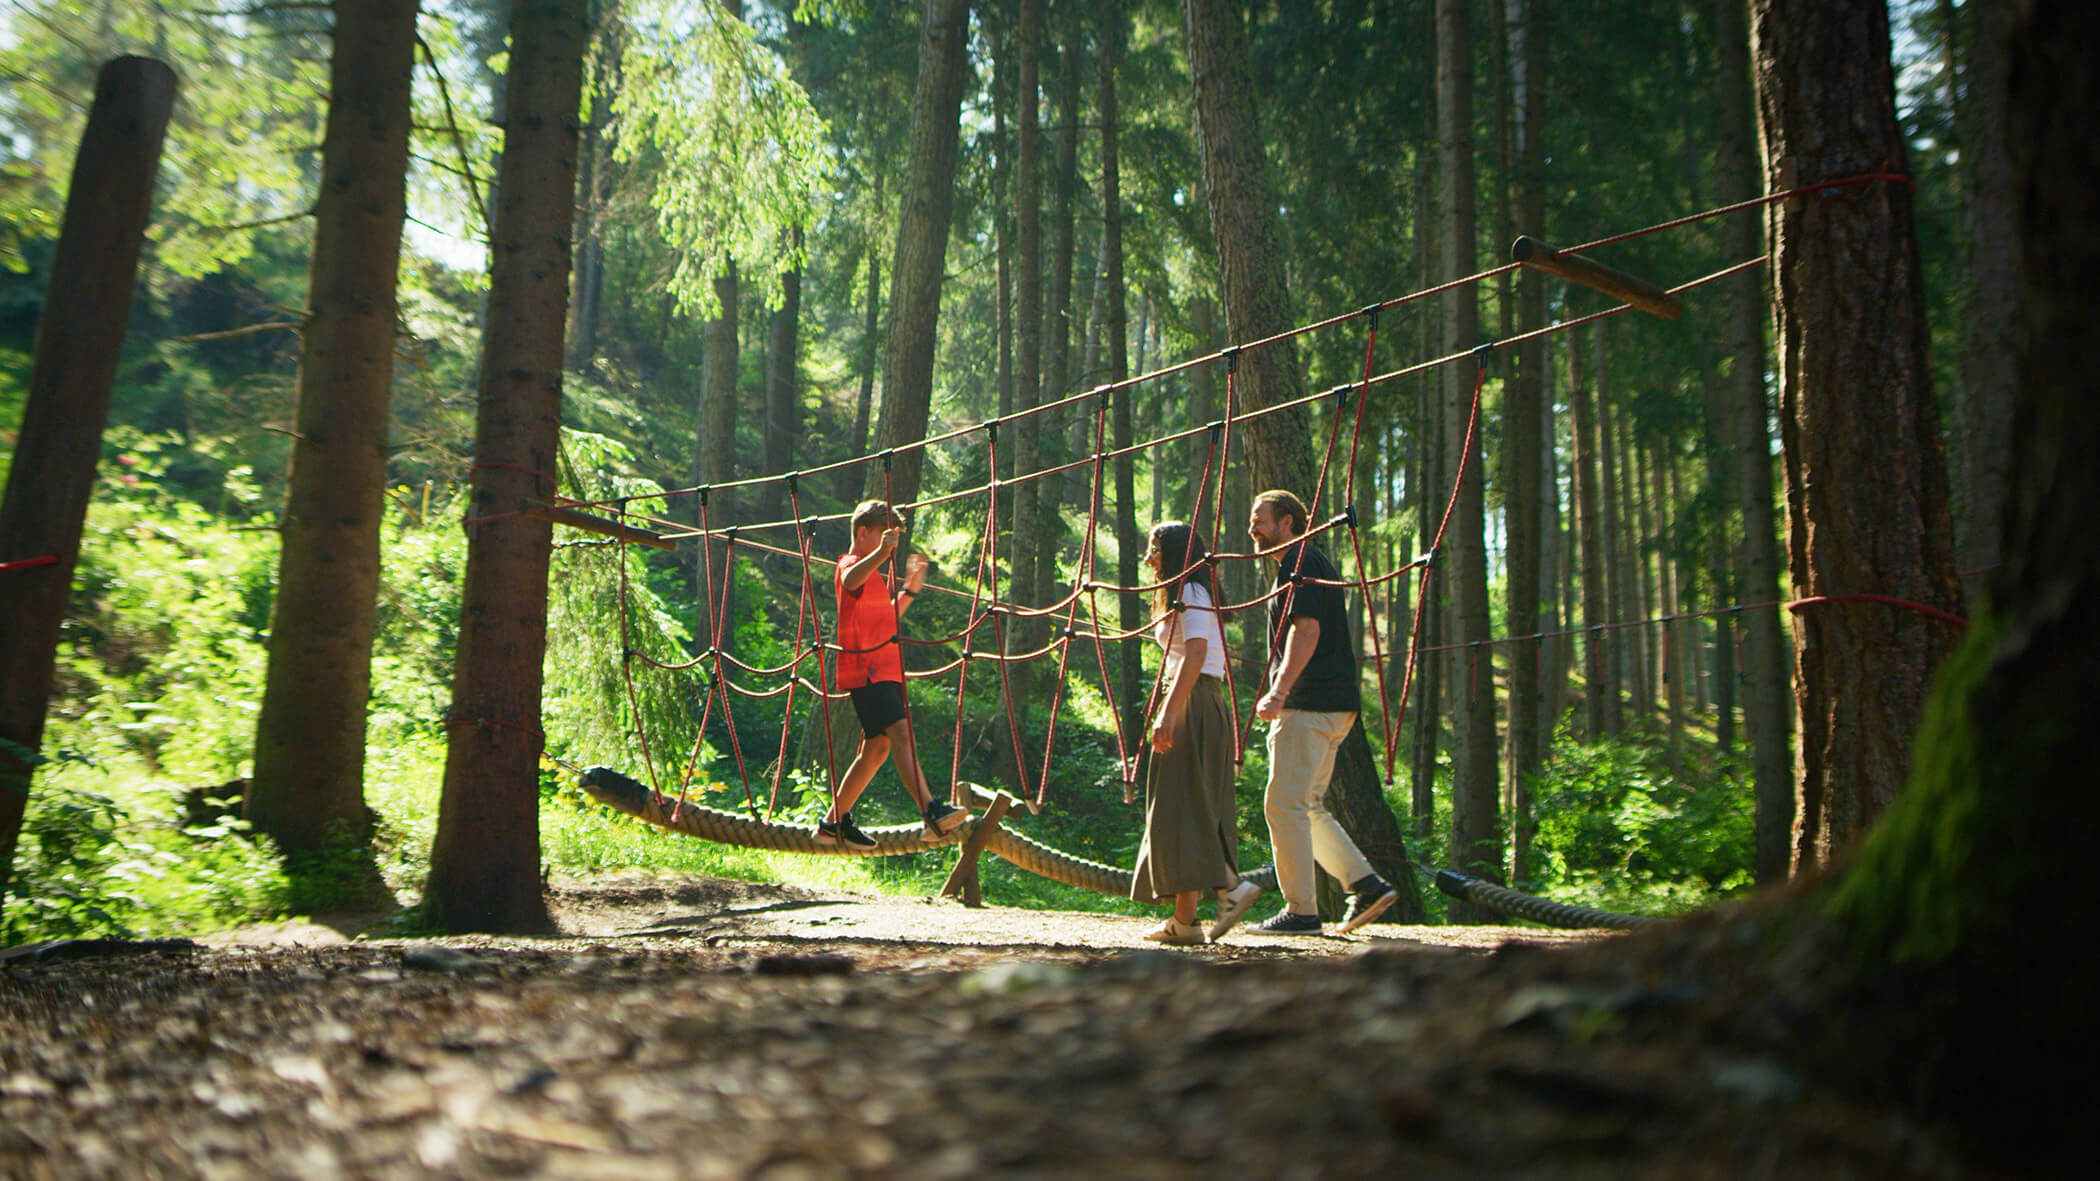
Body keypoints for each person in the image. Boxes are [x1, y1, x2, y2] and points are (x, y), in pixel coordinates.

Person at [1245, 488, 1399, 935]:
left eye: (1261, 519)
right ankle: (1366, 885)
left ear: (1287, 522)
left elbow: (1307, 632)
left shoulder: (1300, 563)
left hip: (1310, 704)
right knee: (1305, 805)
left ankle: (1301, 912)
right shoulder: (1302, 564)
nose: (1253, 527)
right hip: (1330, 706)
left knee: (1284, 805)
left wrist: (1279, 691)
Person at [1129, 521, 1263, 945]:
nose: (1149, 558)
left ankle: (1229, 888)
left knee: (1181, 801)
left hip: (1194, 701)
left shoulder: (1190, 592)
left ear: (1174, 553)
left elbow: (1198, 654)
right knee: (1185, 799)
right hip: (1196, 699)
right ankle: (1185, 921)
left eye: (1155, 549)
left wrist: (1169, 712)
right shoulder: (1184, 593)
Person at [820, 499, 969, 849]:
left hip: (882, 668)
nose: (892, 546)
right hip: (866, 668)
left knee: (877, 747)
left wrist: (911, 588)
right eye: (885, 536)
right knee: (899, 733)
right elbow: (851, 577)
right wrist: (881, 554)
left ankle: (832, 823)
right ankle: (931, 811)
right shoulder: (851, 564)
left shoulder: (871, 573)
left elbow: (887, 617)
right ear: (863, 532)